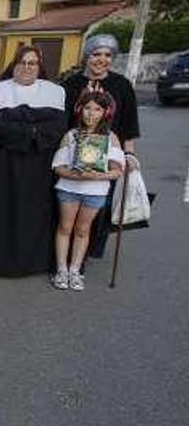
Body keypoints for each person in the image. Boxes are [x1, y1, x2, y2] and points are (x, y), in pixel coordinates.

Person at [61, 34, 141, 259]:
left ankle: (90, 251)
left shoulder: (122, 85)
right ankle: (66, 251)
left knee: (99, 205)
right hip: (74, 154)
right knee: (71, 202)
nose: (102, 59)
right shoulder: (71, 84)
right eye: (97, 54)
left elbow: (129, 123)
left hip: (109, 156)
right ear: (87, 55)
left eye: (107, 55)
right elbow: (63, 122)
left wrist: (129, 154)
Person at [0, 46, 67, 277]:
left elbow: (58, 128)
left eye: (32, 63)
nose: (26, 67)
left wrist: (27, 131)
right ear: (13, 65)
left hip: (40, 165)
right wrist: (33, 131)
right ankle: (0, 261)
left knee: (37, 212)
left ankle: (35, 262)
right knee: (4, 210)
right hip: (6, 163)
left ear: (39, 67)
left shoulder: (55, 92)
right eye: (21, 62)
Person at [51, 90, 125, 290]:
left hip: (96, 192)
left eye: (97, 109)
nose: (91, 114)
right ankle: (61, 270)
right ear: (80, 109)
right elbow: (58, 167)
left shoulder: (110, 138)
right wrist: (77, 175)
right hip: (69, 189)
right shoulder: (71, 136)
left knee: (83, 230)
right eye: (87, 108)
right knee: (65, 227)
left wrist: (101, 175)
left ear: (105, 112)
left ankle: (75, 270)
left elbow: (117, 170)